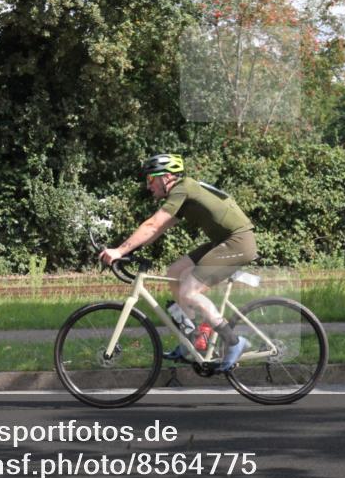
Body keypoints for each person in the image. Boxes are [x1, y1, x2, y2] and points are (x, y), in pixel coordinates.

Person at [99, 153, 257, 371]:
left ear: (165, 178)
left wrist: (119, 250)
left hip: (237, 242)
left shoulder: (183, 188)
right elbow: (159, 228)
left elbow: (153, 225)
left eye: (150, 179)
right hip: (223, 241)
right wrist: (130, 250)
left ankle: (234, 342)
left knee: (189, 292)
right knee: (175, 272)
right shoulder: (182, 195)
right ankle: (191, 341)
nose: (148, 186)